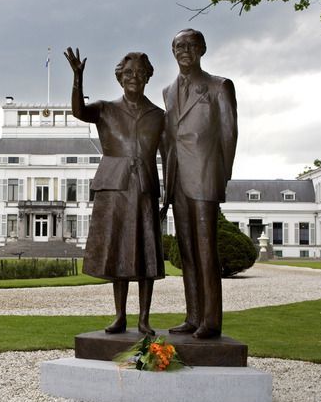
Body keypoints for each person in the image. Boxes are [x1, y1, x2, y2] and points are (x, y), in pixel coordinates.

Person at [64, 47, 165, 335]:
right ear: (120, 77)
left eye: (140, 73)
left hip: (144, 187)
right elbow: (79, 111)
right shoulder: (105, 109)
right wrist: (77, 79)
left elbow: (170, 155)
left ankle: (144, 318)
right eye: (129, 73)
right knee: (119, 253)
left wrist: (168, 194)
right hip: (114, 188)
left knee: (146, 254)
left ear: (148, 77)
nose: (135, 77)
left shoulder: (159, 115)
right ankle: (120, 316)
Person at [160, 29, 238, 339]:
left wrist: (222, 175)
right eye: (179, 46)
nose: (184, 50)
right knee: (188, 251)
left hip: (205, 175)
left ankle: (211, 320)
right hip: (177, 177)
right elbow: (168, 137)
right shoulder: (167, 91)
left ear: (202, 48)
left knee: (207, 251)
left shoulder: (219, 86)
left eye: (191, 45)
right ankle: (193, 315)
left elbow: (229, 135)